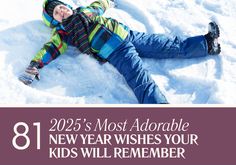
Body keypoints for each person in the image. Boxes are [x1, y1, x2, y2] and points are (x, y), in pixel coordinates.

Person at [18, 0, 221, 104]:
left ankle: (207, 44)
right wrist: (35, 65)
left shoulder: (85, 11)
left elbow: (100, 5)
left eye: (61, 6)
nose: (61, 10)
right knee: (141, 81)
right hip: (117, 53)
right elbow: (50, 49)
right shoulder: (63, 33)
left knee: (169, 45)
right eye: (56, 12)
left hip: (129, 35)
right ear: (55, 20)